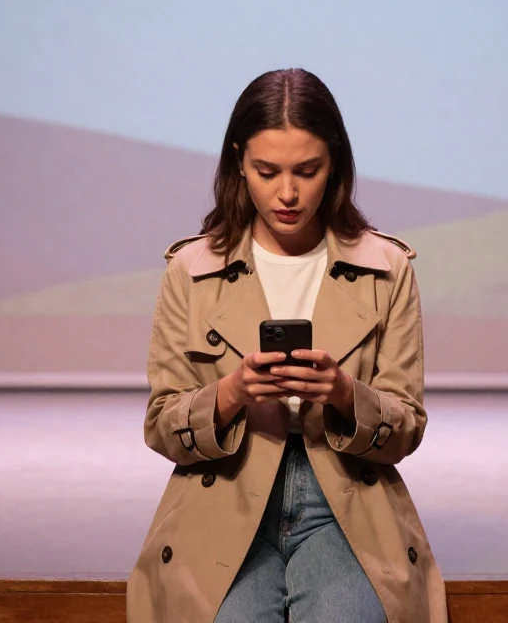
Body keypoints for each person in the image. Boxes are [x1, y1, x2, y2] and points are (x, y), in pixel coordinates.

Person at [126, 68, 447, 623]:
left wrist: (346, 394)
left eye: (308, 170)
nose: (288, 193)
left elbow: (408, 427)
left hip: (345, 496)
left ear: (337, 164)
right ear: (237, 162)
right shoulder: (192, 269)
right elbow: (160, 425)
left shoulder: (386, 269)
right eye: (267, 171)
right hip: (224, 494)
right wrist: (231, 392)